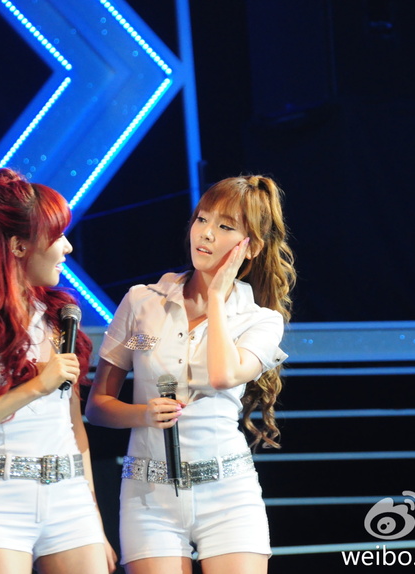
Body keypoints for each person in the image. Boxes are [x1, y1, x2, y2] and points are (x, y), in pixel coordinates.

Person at [86, 174, 296, 574]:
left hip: (228, 491)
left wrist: (216, 297)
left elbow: (222, 376)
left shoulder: (261, 320)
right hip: (148, 494)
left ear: (251, 247)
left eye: (225, 226)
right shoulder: (142, 303)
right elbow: (97, 407)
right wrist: (143, 414)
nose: (206, 234)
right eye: (202, 219)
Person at [0, 168, 116, 574]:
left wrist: (94, 518)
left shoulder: (60, 316)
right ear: (18, 246)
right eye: (57, 236)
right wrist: (35, 387)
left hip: (70, 499)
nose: (67, 247)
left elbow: (74, 427)